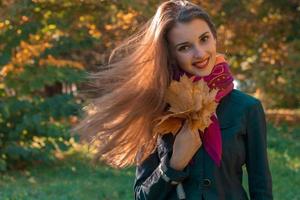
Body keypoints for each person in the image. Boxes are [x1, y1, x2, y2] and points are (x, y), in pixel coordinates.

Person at [74, 0, 273, 199]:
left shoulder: (247, 108)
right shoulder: (154, 108)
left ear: (214, 38)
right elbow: (141, 196)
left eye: (204, 39)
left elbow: (261, 189)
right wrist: (173, 165)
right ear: (170, 54)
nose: (200, 53)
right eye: (184, 47)